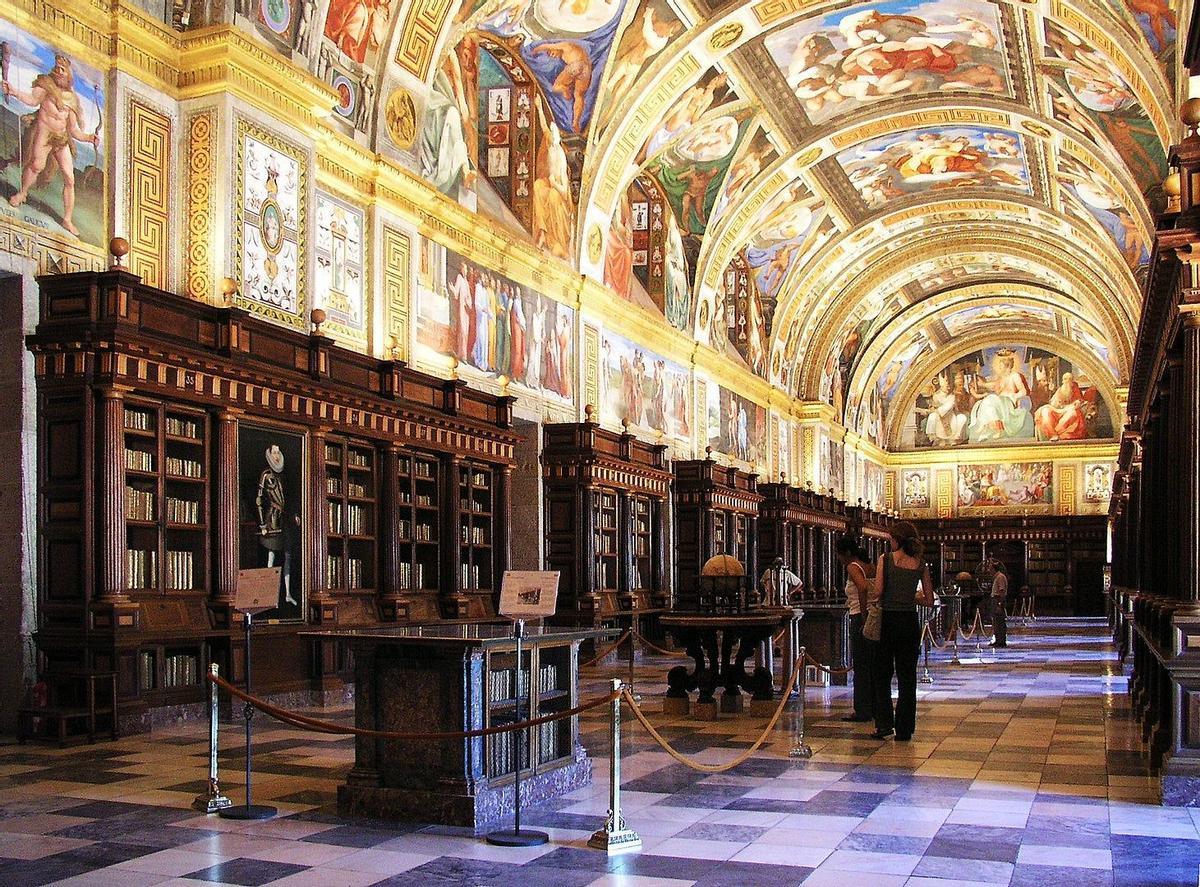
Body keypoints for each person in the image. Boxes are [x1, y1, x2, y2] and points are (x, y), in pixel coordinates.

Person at [870, 521, 935, 741]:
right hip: (909, 623)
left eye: (891, 538)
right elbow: (928, 599)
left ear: (897, 539)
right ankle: (905, 729)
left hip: (888, 621)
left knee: (882, 674)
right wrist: (910, 596)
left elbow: (878, 592)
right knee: (907, 677)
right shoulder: (920, 564)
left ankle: (884, 724)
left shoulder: (885, 559)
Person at [837, 537, 874, 723]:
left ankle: (862, 710)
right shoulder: (869, 565)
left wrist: (863, 614)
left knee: (860, 665)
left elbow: (863, 587)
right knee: (870, 665)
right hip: (871, 615)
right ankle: (873, 707)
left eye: (839, 553)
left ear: (847, 553)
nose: (838, 557)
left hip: (859, 616)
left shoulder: (852, 566)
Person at [989, 562, 1008, 648]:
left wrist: (999, 604)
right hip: (995, 600)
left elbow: (1002, 591)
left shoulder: (1000, 577)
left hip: (998, 600)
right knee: (996, 621)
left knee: (1000, 621)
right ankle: (998, 640)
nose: (989, 571)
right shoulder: (997, 577)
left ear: (994, 569)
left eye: (990, 569)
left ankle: (1001, 641)